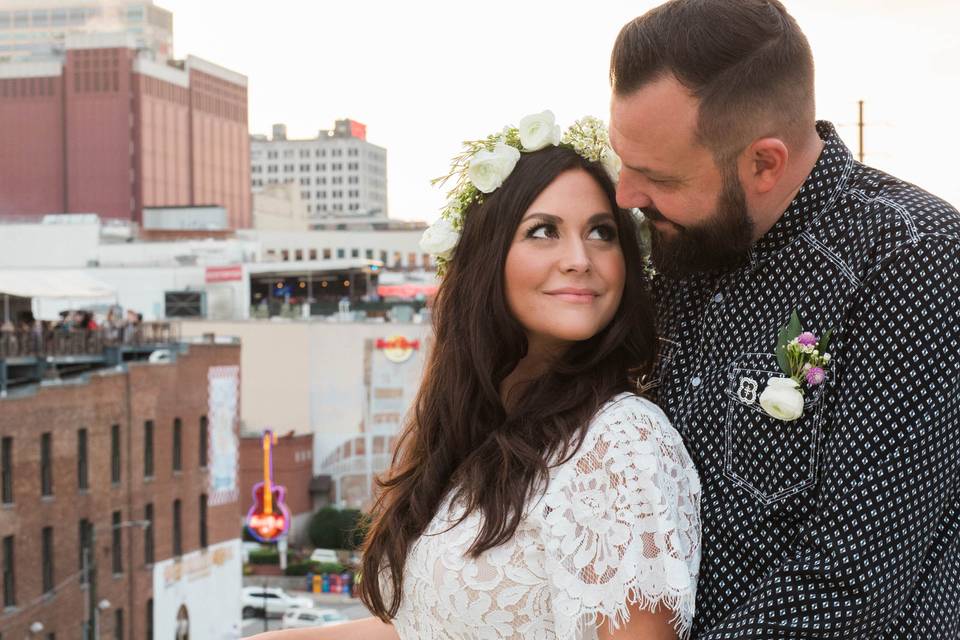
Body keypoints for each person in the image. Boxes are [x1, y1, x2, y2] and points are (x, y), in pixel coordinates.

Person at [250, 114, 702, 639]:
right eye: (543, 231)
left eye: (602, 233)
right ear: (487, 258)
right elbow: (424, 629)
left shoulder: (620, 442)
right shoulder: (477, 433)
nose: (580, 259)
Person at [608, 0, 960, 636]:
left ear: (764, 163)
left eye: (655, 175)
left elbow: (854, 577)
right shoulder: (673, 246)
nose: (626, 196)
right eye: (622, 161)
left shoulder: (915, 258)